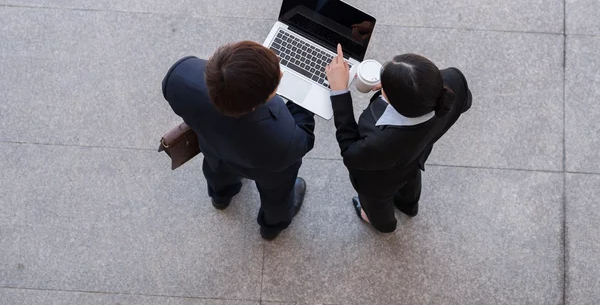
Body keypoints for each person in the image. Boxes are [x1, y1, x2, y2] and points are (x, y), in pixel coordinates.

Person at [162, 41, 315, 239]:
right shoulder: (285, 141)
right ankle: (271, 227)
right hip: (265, 169)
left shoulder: (180, 76)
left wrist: (245, 69)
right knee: (278, 194)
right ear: (266, 97)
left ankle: (221, 197)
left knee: (217, 170)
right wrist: (308, 93)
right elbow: (303, 135)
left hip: (214, 148)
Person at [325, 44, 472, 233]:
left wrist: (339, 93)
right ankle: (409, 206)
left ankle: (384, 225)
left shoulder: (379, 141)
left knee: (376, 204)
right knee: (410, 178)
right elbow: (464, 103)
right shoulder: (454, 80)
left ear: (397, 103)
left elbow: (350, 154)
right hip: (416, 156)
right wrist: (396, 87)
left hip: (380, 181)